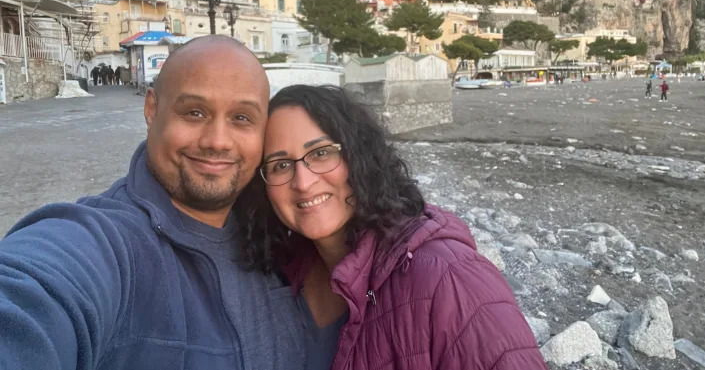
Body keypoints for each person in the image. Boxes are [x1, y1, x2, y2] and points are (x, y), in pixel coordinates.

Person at [0, 36, 305, 370]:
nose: (218, 141)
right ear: (151, 110)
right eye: (195, 112)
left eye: (242, 118)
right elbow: (32, 295)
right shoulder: (106, 244)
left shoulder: (278, 234)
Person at [238, 85, 546, 370]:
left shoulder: (450, 277)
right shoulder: (284, 274)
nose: (303, 182)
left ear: (358, 157)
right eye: (280, 165)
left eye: (320, 153)